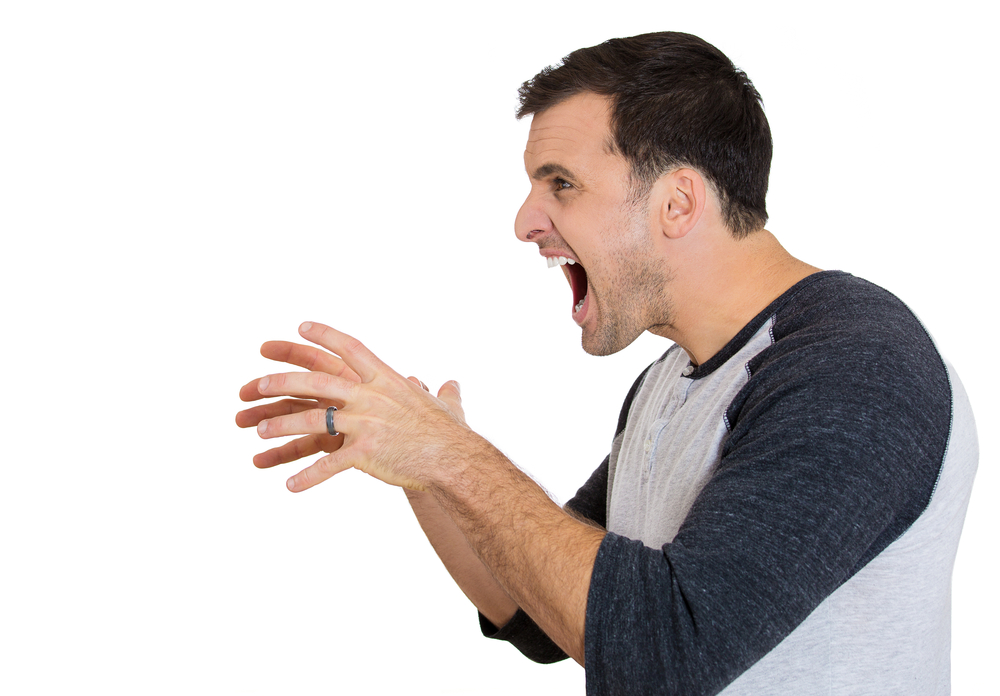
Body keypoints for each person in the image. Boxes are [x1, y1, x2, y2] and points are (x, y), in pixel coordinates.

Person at [236, 32, 978, 696]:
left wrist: (449, 455)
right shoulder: (670, 380)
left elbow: (661, 656)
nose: (524, 221)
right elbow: (541, 611)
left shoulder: (857, 369)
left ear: (678, 202)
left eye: (561, 183)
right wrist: (422, 463)